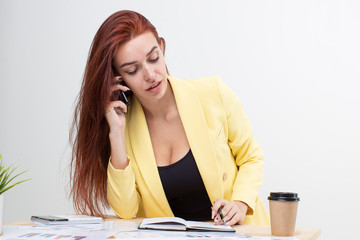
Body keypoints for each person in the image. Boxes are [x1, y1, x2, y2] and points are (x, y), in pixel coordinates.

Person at [70, 10, 270, 226]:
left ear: (162, 48)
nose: (150, 74)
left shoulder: (212, 93)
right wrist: (117, 132)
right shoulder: (123, 128)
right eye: (132, 70)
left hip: (240, 233)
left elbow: (251, 157)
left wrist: (239, 203)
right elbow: (126, 211)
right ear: (117, 77)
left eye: (153, 58)